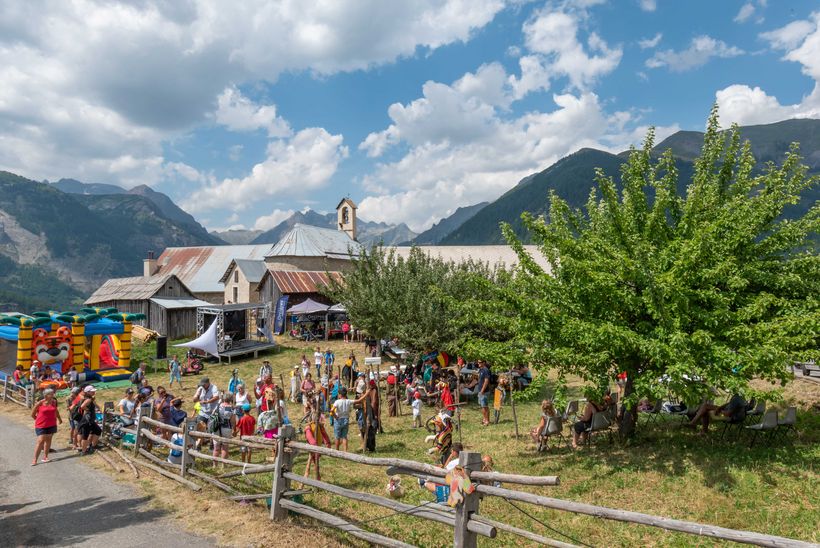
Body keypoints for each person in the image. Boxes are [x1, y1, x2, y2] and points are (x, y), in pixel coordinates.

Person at [31, 388, 62, 465]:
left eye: (52, 393)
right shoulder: (40, 403)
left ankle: (45, 457)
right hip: (41, 425)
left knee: (48, 440)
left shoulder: (54, 402)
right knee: (40, 441)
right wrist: (38, 419)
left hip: (51, 424)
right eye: (50, 394)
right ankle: (35, 460)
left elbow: (56, 411)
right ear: (45, 395)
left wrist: (59, 419)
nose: (52, 395)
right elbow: (32, 414)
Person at [353, 379, 379, 452]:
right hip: (362, 416)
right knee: (363, 431)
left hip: (368, 416)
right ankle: (364, 445)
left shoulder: (368, 394)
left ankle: (370, 447)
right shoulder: (360, 395)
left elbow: (371, 404)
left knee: (369, 432)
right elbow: (355, 405)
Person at [211, 393, 237, 466]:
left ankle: (214, 465)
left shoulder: (218, 406)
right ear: (230, 399)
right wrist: (234, 429)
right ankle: (223, 465)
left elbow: (212, 415)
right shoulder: (232, 408)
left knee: (216, 447)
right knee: (225, 447)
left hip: (216, 428)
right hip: (226, 428)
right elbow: (233, 421)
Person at [77, 386, 101, 455]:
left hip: (90, 420)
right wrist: (87, 410)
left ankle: (92, 446)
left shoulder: (90, 399)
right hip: (87, 421)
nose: (94, 392)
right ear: (88, 392)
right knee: (85, 436)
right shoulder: (88, 400)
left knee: (98, 430)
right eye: (92, 391)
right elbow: (82, 406)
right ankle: (84, 451)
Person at [331, 387, 352, 451]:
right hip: (346, 419)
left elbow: (331, 410)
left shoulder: (337, 402)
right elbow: (359, 400)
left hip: (338, 420)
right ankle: (345, 452)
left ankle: (337, 451)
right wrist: (366, 394)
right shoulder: (348, 401)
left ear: (340, 394)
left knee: (337, 437)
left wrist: (335, 416)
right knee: (344, 437)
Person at [477, 360, 492, 426]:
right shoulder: (481, 370)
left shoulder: (486, 370)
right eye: (478, 362)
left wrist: (482, 390)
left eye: (480, 362)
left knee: (485, 406)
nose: (478, 363)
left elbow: (486, 381)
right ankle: (484, 419)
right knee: (482, 406)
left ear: (484, 363)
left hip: (484, 392)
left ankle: (487, 420)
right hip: (480, 391)